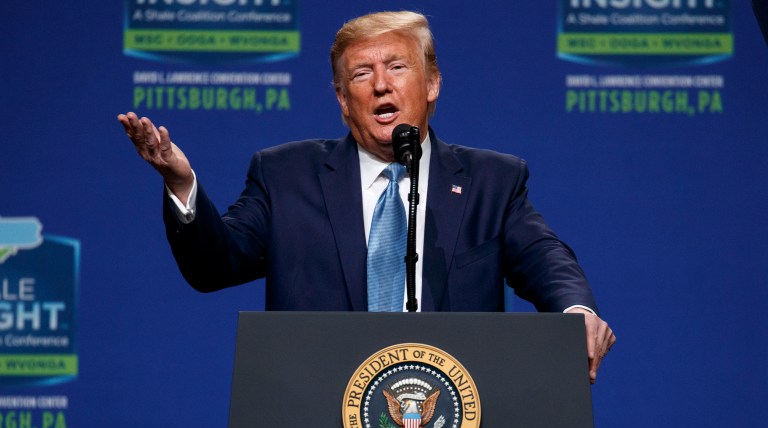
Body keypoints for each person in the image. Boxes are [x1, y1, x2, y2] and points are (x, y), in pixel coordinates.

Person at [118, 11, 615, 382]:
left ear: (433, 82)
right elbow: (215, 265)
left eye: (397, 66)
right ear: (341, 98)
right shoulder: (284, 175)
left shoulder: (492, 180)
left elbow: (545, 258)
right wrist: (181, 185)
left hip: (452, 411)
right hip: (315, 408)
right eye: (360, 74)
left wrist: (578, 313)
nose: (381, 85)